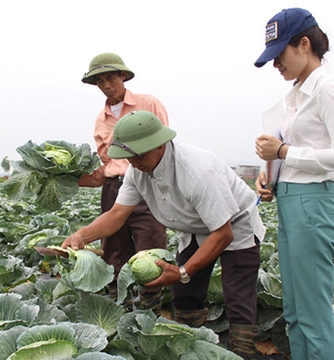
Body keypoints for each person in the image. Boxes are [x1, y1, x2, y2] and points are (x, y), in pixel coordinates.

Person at [63, 110, 265, 359]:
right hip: (193, 227)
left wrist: (183, 271)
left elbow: (223, 234)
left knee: (237, 296)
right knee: (184, 294)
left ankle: (242, 352)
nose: (133, 161)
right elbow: (117, 214)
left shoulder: (198, 171)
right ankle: (190, 346)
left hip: (235, 224)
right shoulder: (138, 171)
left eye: (138, 154)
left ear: (159, 145)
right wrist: (82, 235)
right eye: (129, 155)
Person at [254, 8, 334, 360]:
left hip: (314, 200)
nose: (276, 65)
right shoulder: (296, 95)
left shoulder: (327, 89)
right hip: (291, 198)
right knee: (295, 308)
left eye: (279, 55)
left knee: (313, 308)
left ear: (305, 44)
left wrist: (285, 151)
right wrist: (270, 174)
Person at [78, 53, 169, 315]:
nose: (106, 85)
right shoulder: (100, 119)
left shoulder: (148, 104)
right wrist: (72, 178)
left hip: (146, 184)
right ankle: (121, 311)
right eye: (100, 81)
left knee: (150, 248)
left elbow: (163, 147)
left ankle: (150, 313)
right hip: (114, 188)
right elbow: (106, 165)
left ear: (123, 77)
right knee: (114, 251)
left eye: (110, 78)